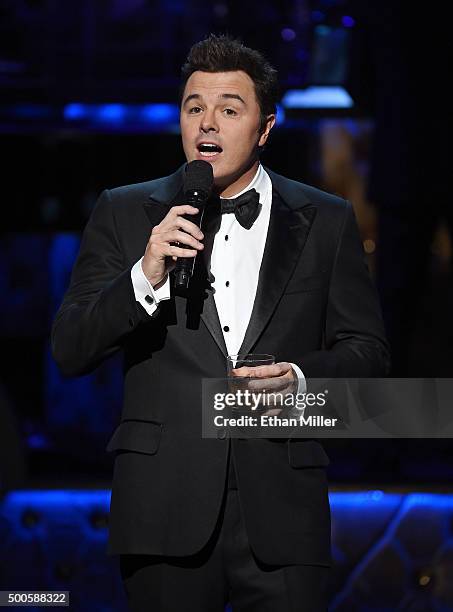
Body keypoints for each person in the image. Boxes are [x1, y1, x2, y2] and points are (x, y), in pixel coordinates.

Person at [52, 34, 390, 612]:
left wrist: (303, 383)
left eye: (229, 109)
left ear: (265, 128)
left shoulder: (327, 221)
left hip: (283, 514)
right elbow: (70, 349)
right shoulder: (126, 211)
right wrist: (145, 274)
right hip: (162, 508)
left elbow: (370, 359)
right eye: (194, 108)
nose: (207, 122)